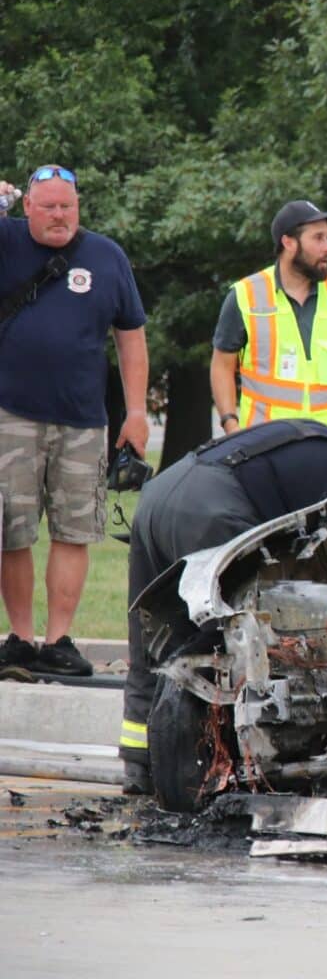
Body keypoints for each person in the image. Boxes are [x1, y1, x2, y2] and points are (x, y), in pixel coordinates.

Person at [119, 419, 327, 794]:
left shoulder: (320, 442)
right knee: (227, 640)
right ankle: (213, 766)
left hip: (159, 495)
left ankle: (138, 766)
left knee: (150, 639)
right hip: (210, 510)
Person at [0, 165, 149, 678]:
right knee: (10, 531)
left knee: (74, 531)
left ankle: (59, 639)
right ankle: (19, 638)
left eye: (68, 206)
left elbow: (131, 336)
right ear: (28, 208)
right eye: (49, 207)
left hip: (84, 421)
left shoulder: (106, 256)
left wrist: (135, 412)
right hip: (10, 414)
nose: (60, 216)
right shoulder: (5, 240)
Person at [209, 200, 327, 434]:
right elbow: (221, 366)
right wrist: (230, 425)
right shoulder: (246, 295)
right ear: (288, 243)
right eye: (318, 238)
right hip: (264, 446)